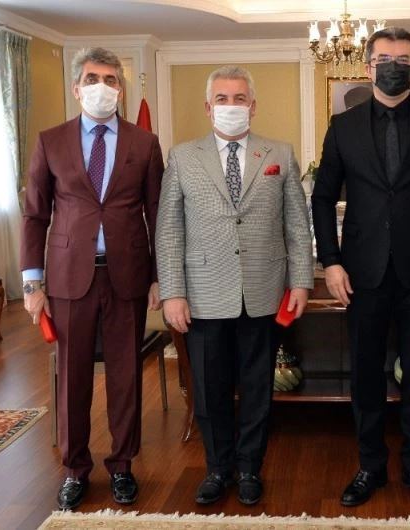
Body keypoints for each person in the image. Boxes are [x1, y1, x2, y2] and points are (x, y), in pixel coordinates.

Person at [311, 27, 410, 508]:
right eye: (385, 58)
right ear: (368, 66)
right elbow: (322, 198)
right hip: (360, 273)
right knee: (365, 373)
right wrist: (331, 262)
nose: (394, 66)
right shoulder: (342, 127)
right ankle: (370, 465)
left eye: (404, 59)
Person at [156, 65, 313, 506]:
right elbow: (169, 230)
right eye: (222, 99)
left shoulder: (278, 152)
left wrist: (301, 281)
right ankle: (217, 468)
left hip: (264, 291)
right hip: (203, 293)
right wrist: (172, 292)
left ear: (253, 106)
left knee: (258, 387)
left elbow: (297, 226)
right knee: (209, 390)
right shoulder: (182, 157)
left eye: (239, 98)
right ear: (208, 108)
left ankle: (249, 469)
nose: (231, 106)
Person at [20, 47, 164, 510]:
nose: (102, 86)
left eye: (111, 79)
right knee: (72, 376)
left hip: (128, 275)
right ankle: (74, 469)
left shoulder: (144, 143)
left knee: (126, 374)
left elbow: (158, 213)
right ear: (76, 88)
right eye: (92, 78)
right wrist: (32, 283)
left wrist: (161, 277)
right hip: (67, 278)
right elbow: (34, 215)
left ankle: (122, 466)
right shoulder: (50, 141)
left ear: (121, 89)